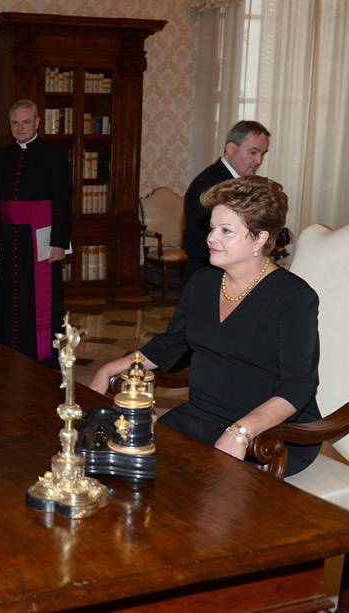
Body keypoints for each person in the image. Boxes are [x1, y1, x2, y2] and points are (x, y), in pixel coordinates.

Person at [90, 176, 320, 476]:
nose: (211, 238)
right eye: (212, 228)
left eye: (226, 231)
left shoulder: (294, 298)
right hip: (201, 417)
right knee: (117, 467)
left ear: (260, 239)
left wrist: (241, 432)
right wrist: (109, 369)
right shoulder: (203, 282)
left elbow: (297, 387)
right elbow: (170, 344)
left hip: (269, 434)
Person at [0, 99, 71, 363]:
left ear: (37, 122)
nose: (20, 128)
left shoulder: (53, 155)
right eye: (15, 123)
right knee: (10, 296)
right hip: (10, 239)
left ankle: (41, 354)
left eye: (26, 122)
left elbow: (63, 200)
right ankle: (8, 349)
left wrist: (59, 241)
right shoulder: (3, 156)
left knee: (39, 298)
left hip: (41, 238)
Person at [183, 120, 270, 284]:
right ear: (231, 149)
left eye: (262, 154)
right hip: (209, 277)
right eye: (253, 152)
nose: (258, 160)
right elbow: (196, 243)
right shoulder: (212, 184)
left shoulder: (230, 181)